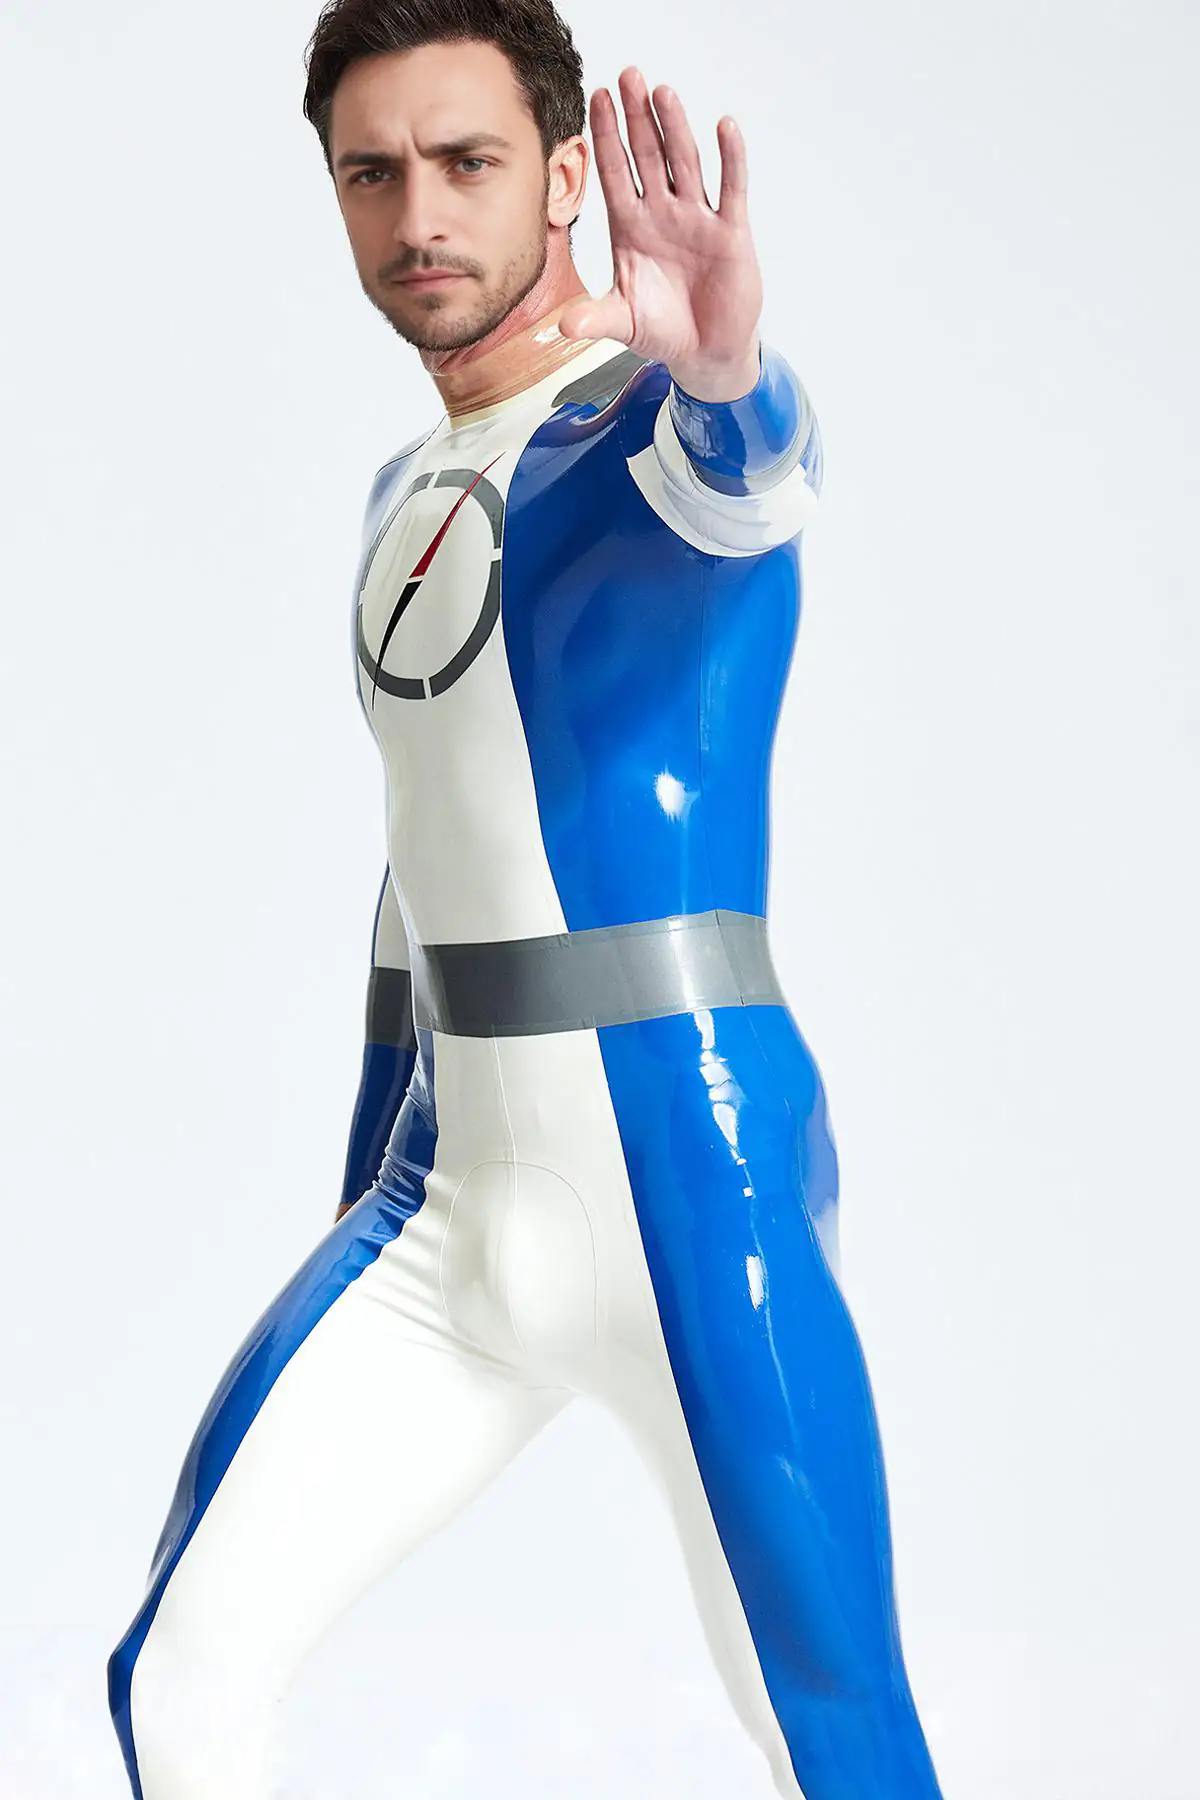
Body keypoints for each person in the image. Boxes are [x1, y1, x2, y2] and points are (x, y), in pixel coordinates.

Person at [107, 4, 946, 1796]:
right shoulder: (401, 489)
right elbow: (421, 871)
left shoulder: (647, 437)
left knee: (833, 1724)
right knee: (179, 1683)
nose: (418, 214)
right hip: (446, 1211)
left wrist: (731, 367)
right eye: (373, 171)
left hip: (689, 1185)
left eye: (467, 162)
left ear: (566, 175)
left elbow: (755, 480)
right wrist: (362, 1192)